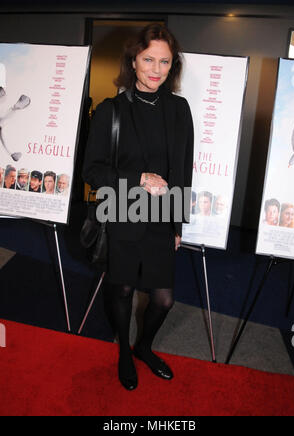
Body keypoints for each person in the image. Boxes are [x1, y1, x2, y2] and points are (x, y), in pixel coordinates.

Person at [82, 23, 194, 391]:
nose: (156, 69)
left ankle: (143, 346)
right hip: (123, 214)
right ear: (134, 60)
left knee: (163, 300)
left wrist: (179, 223)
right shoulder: (111, 110)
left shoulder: (179, 109)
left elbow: (183, 168)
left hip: (162, 218)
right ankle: (124, 354)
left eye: (164, 61)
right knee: (124, 291)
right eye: (148, 59)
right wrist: (138, 179)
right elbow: (92, 171)